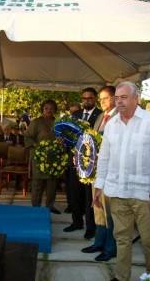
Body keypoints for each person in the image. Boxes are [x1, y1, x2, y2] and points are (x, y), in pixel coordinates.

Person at [94, 82, 150, 281]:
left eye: (124, 97)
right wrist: (99, 185)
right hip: (116, 191)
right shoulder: (111, 124)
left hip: (144, 194)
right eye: (117, 98)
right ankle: (121, 276)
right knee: (121, 238)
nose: (119, 101)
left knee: (149, 241)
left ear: (136, 99)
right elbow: (104, 157)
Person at [81, 86, 117, 262]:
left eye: (105, 98)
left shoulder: (119, 117)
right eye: (101, 99)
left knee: (109, 211)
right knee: (98, 208)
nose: (102, 102)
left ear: (115, 98)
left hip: (111, 172)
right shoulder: (102, 117)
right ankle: (99, 242)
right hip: (96, 171)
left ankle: (110, 248)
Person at [64, 87, 102, 239]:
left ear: (95, 99)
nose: (87, 101)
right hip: (74, 161)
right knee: (74, 193)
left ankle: (90, 227)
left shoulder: (101, 115)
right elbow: (69, 134)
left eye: (90, 98)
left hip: (91, 164)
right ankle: (76, 222)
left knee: (88, 197)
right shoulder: (75, 115)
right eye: (84, 98)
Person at [24, 99, 61, 214]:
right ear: (42, 109)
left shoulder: (58, 123)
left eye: (51, 108)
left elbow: (63, 137)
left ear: (55, 109)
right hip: (39, 157)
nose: (49, 110)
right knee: (37, 184)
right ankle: (35, 207)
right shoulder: (36, 122)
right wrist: (36, 146)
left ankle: (50, 205)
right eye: (46, 108)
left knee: (52, 184)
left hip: (53, 158)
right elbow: (27, 137)